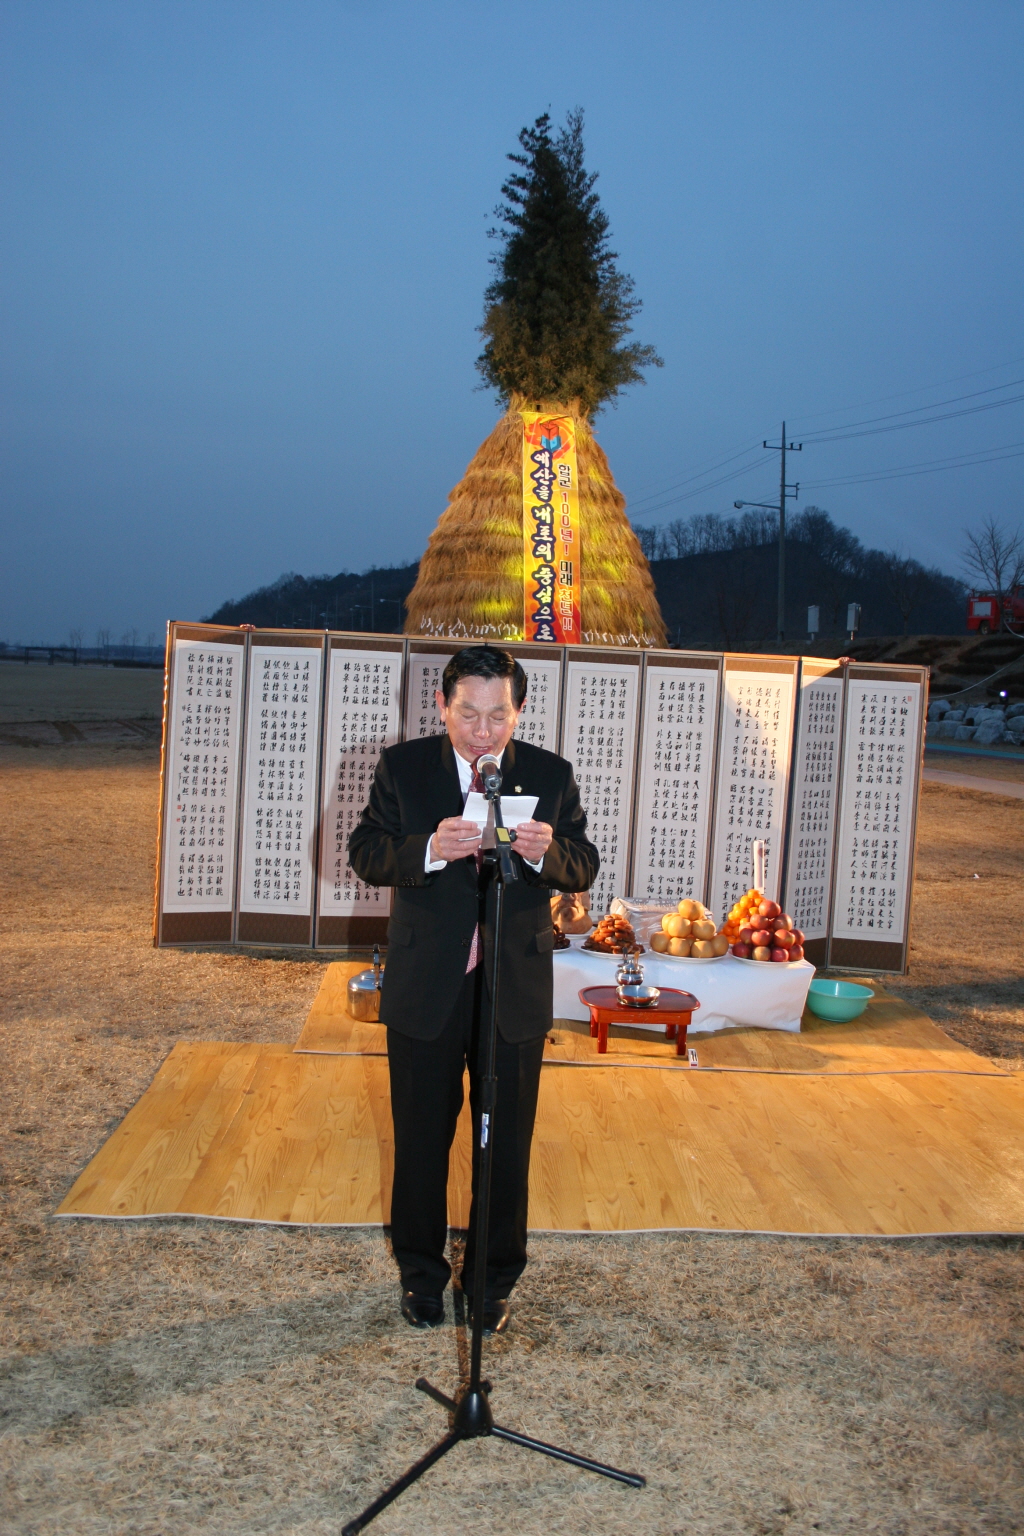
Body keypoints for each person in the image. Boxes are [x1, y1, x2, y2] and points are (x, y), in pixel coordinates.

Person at [348, 645, 599, 1334]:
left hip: (512, 985)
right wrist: (429, 849)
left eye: (497, 716)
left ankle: (492, 1282)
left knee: (506, 1144)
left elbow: (583, 863)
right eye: (468, 714)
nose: (482, 732)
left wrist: (546, 853)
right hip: (429, 981)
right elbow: (365, 851)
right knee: (421, 1138)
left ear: (519, 710)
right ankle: (421, 1275)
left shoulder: (549, 774)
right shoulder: (404, 767)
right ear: (442, 706)